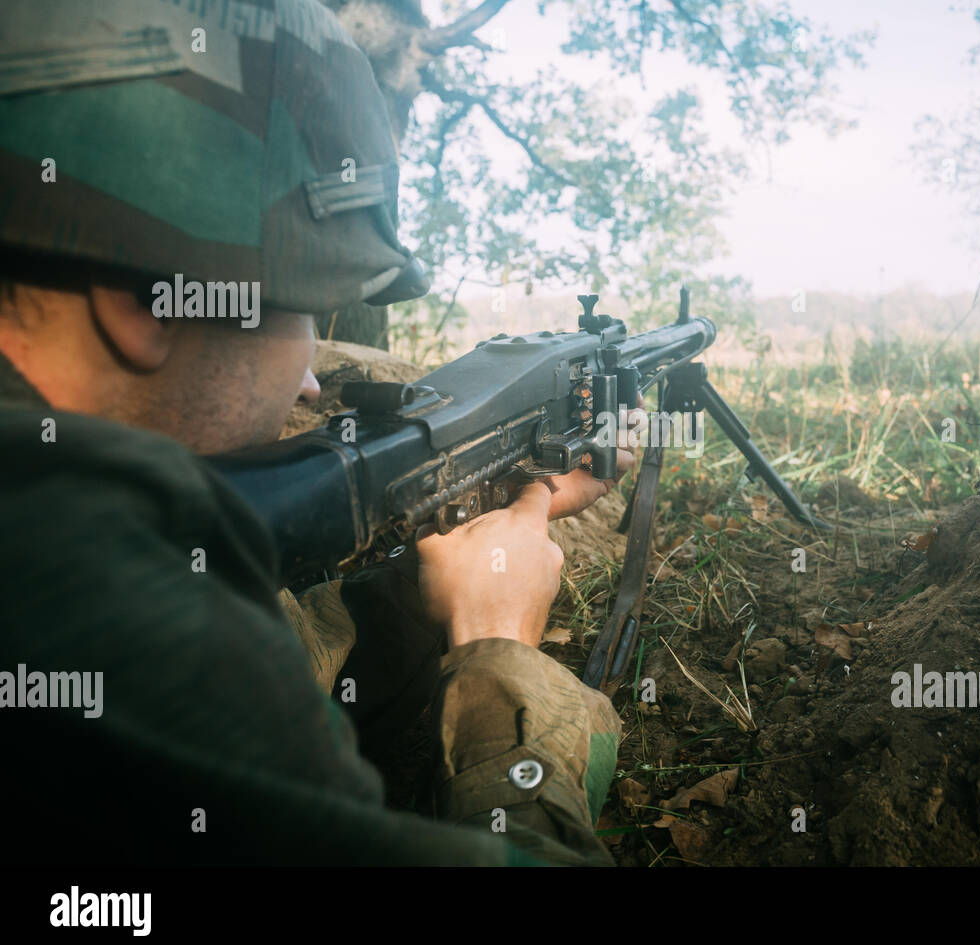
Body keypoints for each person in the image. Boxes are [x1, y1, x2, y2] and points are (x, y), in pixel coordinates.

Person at [0, 0, 625, 865]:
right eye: (302, 308)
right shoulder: (82, 594)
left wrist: (429, 557)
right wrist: (497, 654)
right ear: (150, 298)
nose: (306, 376)